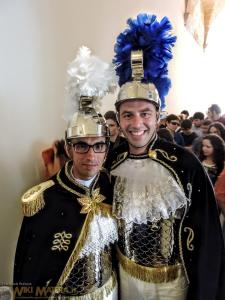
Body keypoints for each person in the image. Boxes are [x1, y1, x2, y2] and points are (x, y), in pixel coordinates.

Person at [106, 13, 225, 300]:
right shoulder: (113, 159)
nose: (137, 124)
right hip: (123, 277)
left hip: (173, 286)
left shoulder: (185, 164)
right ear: (119, 119)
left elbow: (208, 235)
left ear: (157, 116)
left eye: (145, 113)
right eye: (128, 115)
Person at [13, 47, 118, 300]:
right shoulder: (45, 198)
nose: (91, 156)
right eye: (81, 145)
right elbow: (31, 263)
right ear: (69, 148)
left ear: (106, 148)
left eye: (98, 146)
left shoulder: (112, 184)